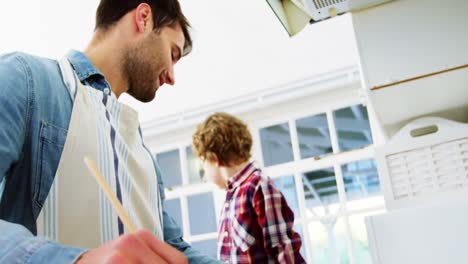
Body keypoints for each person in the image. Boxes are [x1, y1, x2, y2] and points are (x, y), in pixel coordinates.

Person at [0, 0, 221, 263]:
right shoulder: (25, 80)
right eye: (173, 53)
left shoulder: (143, 154)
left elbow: (171, 248)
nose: (172, 76)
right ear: (144, 17)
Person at [192, 112, 306, 263]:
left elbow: (284, 249)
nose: (205, 173)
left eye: (203, 164)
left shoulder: (258, 186)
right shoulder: (231, 196)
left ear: (214, 159)